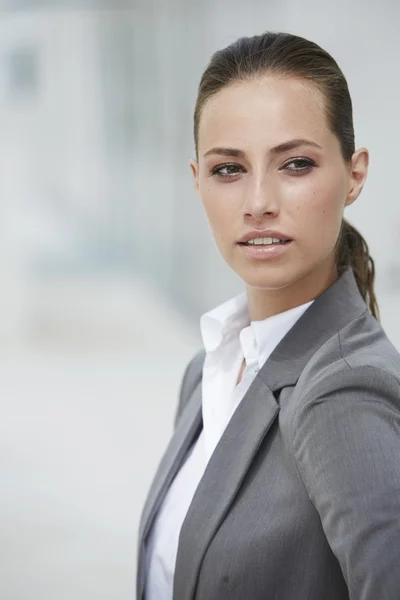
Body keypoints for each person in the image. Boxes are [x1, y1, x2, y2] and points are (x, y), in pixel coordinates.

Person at [136, 31, 400, 600]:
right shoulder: (207, 369)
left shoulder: (345, 390)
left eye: (296, 163)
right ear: (197, 181)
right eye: (229, 169)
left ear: (355, 175)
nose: (258, 201)